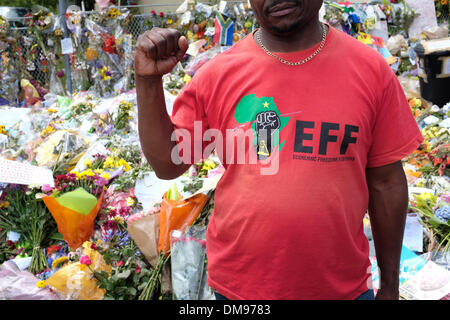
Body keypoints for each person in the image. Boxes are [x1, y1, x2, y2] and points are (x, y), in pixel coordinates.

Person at [134, 0, 423, 300]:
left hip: (342, 289)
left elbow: (386, 182)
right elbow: (168, 165)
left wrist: (390, 287)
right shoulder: (217, 75)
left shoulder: (370, 69)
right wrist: (148, 82)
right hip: (240, 292)